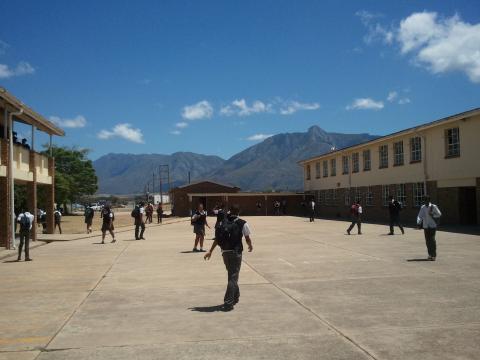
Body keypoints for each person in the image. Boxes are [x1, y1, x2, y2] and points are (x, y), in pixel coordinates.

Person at [204, 204, 253, 311]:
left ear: (229, 211)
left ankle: (236, 296)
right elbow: (247, 237)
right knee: (233, 277)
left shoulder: (223, 222)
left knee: (232, 275)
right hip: (236, 252)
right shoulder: (242, 223)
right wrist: (250, 245)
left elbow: (217, 239)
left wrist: (210, 251)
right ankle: (228, 302)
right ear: (239, 211)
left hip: (225, 252)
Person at [417, 195, 442, 261]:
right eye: (424, 200)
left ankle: (434, 255)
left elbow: (439, 214)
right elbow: (420, 216)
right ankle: (430, 254)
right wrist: (418, 222)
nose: (425, 202)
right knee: (427, 241)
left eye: (426, 200)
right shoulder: (423, 207)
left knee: (432, 240)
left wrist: (432, 214)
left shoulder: (433, 206)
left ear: (429, 200)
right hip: (426, 226)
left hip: (432, 226)